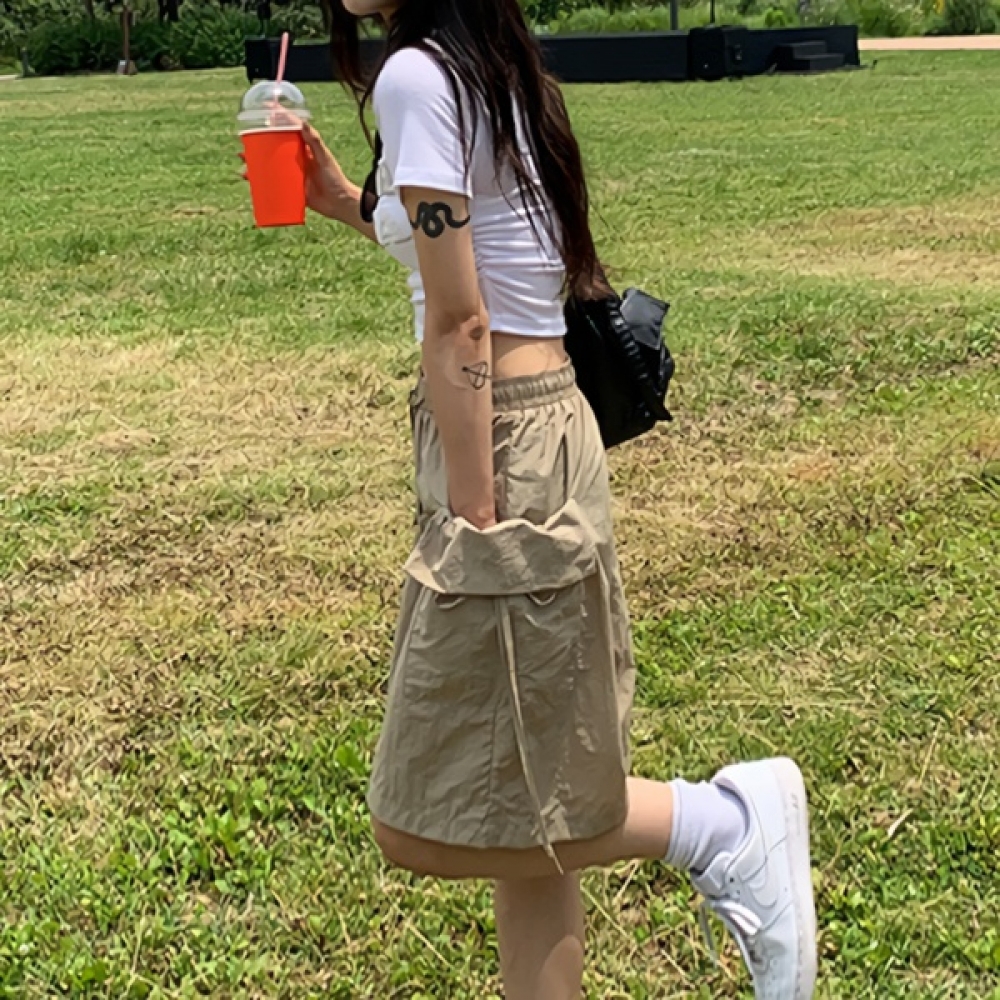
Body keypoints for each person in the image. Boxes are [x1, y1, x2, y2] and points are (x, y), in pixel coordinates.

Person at [299, 1, 819, 997]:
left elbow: (463, 320)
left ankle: (722, 826)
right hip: (534, 423)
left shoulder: (416, 75)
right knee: (527, 792)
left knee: (420, 820)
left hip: (498, 438)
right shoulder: (489, 65)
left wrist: (473, 513)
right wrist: (342, 201)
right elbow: (483, 248)